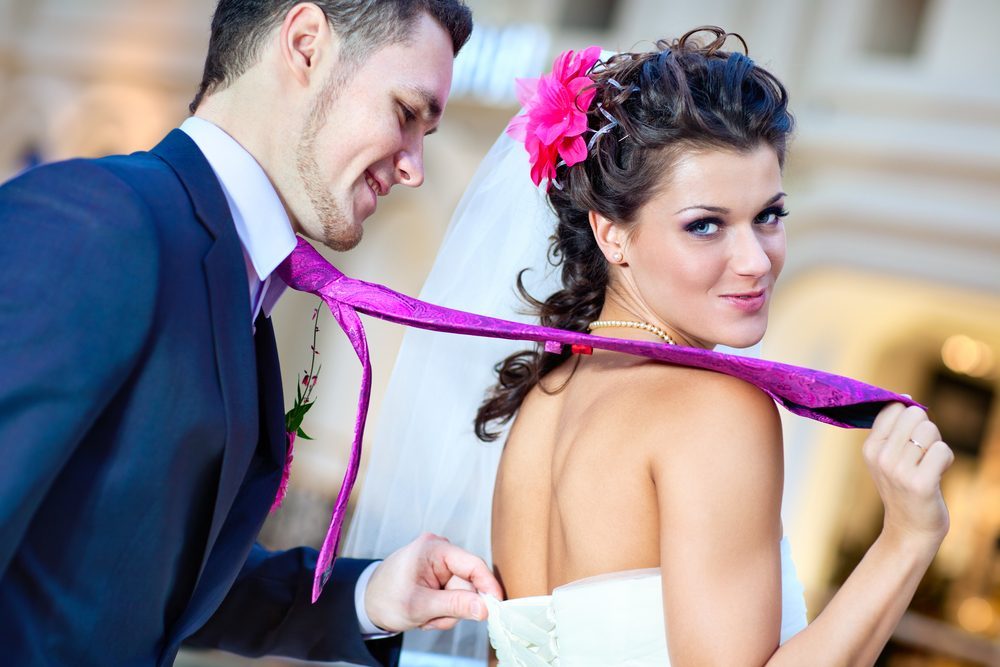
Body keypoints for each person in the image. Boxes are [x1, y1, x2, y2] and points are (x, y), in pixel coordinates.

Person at [348, 28, 955, 666]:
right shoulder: (715, 411)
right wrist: (908, 538)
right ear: (612, 236)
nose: (754, 260)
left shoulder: (547, 397)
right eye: (705, 225)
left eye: (769, 215)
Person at [0, 1, 502, 666]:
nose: (413, 165)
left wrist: (368, 595)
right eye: (407, 114)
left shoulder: (239, 285)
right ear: (304, 44)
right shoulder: (99, 222)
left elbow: (161, 582)